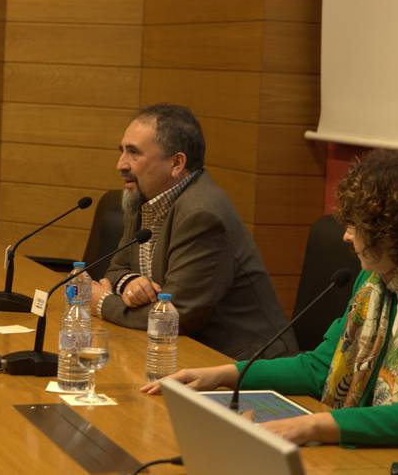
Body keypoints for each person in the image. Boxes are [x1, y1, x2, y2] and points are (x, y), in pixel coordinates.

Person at [143, 149, 398, 474]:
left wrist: (308, 426)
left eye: (357, 226)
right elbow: (321, 368)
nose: (346, 236)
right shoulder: (380, 281)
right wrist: (223, 375)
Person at [90, 103, 297, 360]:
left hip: (244, 367)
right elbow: (116, 269)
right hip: (183, 354)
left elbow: (176, 316)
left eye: (133, 153)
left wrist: (102, 303)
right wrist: (130, 282)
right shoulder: (143, 197)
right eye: (122, 151)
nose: (121, 164)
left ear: (177, 163)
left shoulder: (202, 215)